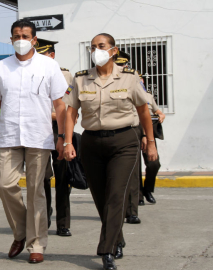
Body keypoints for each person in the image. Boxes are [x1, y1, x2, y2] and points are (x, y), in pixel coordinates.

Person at [63, 33, 158, 270]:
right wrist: (67, 142)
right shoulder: (81, 79)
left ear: (113, 51)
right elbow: (71, 112)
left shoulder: (129, 78)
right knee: (100, 197)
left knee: (116, 194)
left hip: (124, 141)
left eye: (101, 46)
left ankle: (107, 251)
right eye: (93, 47)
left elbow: (143, 111)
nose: (97, 50)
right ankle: (118, 237)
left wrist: (150, 140)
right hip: (91, 143)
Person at [0, 19, 68, 264]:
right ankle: (21, 232)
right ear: (11, 39)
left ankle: (36, 244)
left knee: (35, 192)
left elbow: (60, 104)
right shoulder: (1, 67)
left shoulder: (49, 66)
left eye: (25, 36)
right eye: (16, 36)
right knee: (4, 184)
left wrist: (63, 137)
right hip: (9, 135)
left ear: (34, 39)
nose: (20, 40)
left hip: (39, 136)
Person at [36, 38, 73, 236]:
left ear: (52, 56)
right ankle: (44, 218)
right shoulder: (31, 73)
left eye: (43, 55)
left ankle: (63, 223)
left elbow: (69, 106)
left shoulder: (65, 75)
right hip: (40, 131)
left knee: (62, 178)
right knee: (42, 178)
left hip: (59, 127)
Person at [114, 51, 144, 225]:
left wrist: (147, 135)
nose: (120, 67)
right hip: (108, 130)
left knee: (132, 172)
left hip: (131, 128)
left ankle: (132, 211)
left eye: (122, 64)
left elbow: (144, 102)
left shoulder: (132, 78)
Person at [139, 85, 165, 204]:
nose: (140, 81)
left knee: (154, 163)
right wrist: (143, 135)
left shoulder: (148, 95)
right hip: (133, 130)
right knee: (134, 167)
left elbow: (156, 110)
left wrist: (161, 114)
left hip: (149, 132)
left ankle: (147, 190)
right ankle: (137, 195)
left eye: (141, 79)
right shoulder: (128, 93)